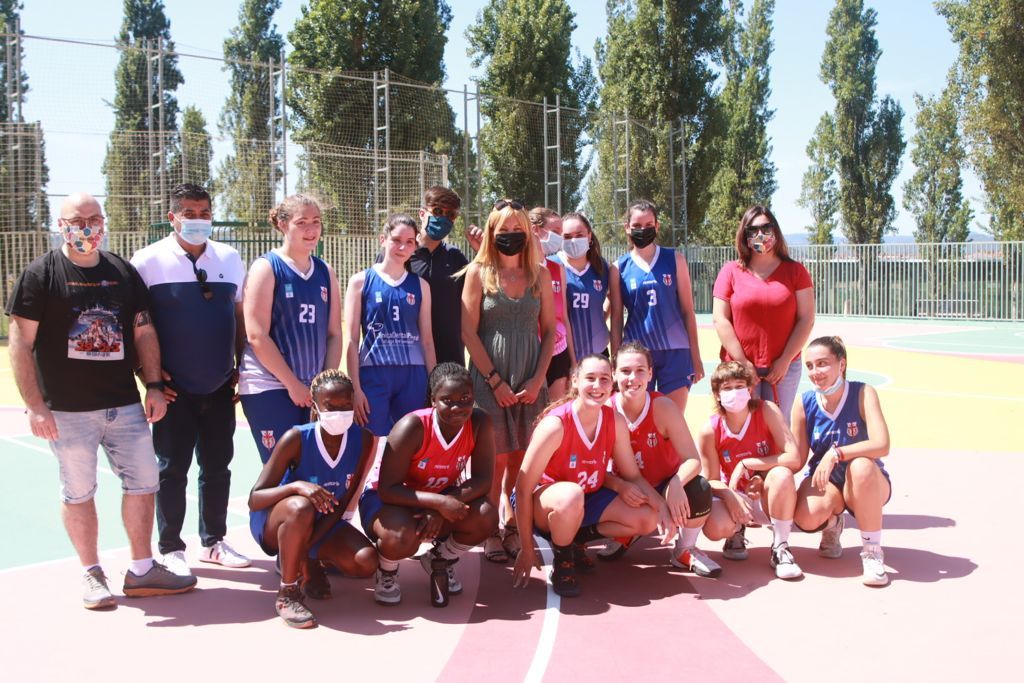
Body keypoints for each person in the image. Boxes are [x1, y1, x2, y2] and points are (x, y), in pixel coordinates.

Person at [5, 192, 196, 608]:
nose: (86, 227)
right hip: (67, 410)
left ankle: (142, 568)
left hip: (124, 405)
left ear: (104, 223)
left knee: (145, 483)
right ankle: (92, 574)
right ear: (61, 225)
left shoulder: (123, 272)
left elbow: (143, 331)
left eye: (94, 218)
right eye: (77, 220)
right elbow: (20, 344)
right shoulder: (40, 275)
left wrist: (155, 386)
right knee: (78, 491)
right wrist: (36, 405)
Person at [130, 183, 250, 578]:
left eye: (204, 212)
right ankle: (170, 548)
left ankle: (214, 541)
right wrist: (147, 378)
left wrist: (239, 368)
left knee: (218, 468)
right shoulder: (146, 261)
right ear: (172, 217)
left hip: (218, 388)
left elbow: (239, 319)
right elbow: (133, 324)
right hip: (172, 391)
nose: (198, 220)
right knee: (171, 470)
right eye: (189, 212)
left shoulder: (230, 258)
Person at [511, 354, 671, 597]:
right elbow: (522, 489)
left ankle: (574, 541)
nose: (598, 386)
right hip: (543, 504)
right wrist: (526, 547)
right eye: (590, 378)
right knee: (571, 495)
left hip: (583, 498)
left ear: (612, 384)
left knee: (647, 518)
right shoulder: (556, 425)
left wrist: (660, 504)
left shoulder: (614, 421)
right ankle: (563, 560)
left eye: (605, 379)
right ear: (574, 381)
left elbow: (632, 475)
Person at [460, 200, 555, 564]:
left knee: (520, 460)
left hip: (530, 379)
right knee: (494, 460)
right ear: (491, 234)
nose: (512, 237)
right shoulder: (478, 273)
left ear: (528, 234)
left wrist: (537, 380)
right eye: (504, 232)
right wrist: (495, 382)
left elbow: (549, 333)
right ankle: (490, 531)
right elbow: (468, 332)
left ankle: (514, 524)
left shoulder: (540, 275)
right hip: (489, 380)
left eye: (518, 231)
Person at [358, 363, 497, 606]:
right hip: (388, 500)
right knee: (400, 537)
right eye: (447, 400)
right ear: (433, 400)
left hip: (437, 497)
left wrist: (439, 507)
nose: (458, 406)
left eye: (465, 398)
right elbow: (387, 489)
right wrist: (439, 503)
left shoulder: (479, 422)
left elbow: (483, 480)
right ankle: (387, 570)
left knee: (485, 514)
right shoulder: (412, 427)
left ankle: (440, 559)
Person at [249, 370, 377, 628]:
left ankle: (308, 559)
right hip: (278, 520)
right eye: (331, 406)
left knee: (366, 562)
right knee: (301, 507)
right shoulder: (296, 438)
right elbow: (255, 499)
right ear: (316, 406)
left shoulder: (362, 439)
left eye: (346, 405)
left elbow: (341, 503)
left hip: (322, 521)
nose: (339, 412)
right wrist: (297, 486)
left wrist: (307, 549)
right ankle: (288, 593)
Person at [597, 342, 720, 577]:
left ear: (651, 373)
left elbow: (693, 459)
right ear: (613, 374)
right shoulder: (605, 409)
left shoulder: (662, 406)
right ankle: (625, 533)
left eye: (640, 370)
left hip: (664, 484)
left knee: (699, 488)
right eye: (625, 371)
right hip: (628, 488)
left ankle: (684, 549)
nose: (632, 378)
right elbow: (592, 467)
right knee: (587, 497)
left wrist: (675, 483)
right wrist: (618, 485)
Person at [238, 194, 343, 463]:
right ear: (283, 225)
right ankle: (262, 508)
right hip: (270, 386)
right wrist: (292, 384)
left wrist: (325, 384)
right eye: (302, 222)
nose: (311, 230)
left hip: (311, 389)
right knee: (279, 474)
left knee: (310, 471)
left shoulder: (324, 271)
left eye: (316, 222)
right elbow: (256, 335)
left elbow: (333, 333)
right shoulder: (267, 267)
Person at [792, 336, 892, 586]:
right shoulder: (804, 403)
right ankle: (833, 523)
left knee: (860, 466)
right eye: (810, 366)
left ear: (842, 364)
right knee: (805, 517)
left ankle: (871, 552)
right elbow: (796, 459)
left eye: (823, 363)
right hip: (829, 482)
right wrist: (762, 475)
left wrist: (837, 453)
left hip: (867, 480)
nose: (816, 372)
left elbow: (882, 445)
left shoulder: (863, 392)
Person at [697, 361, 804, 580]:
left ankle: (780, 547)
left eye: (739, 386)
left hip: (767, 494)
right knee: (715, 527)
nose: (734, 392)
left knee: (782, 474)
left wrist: (750, 465)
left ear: (749, 389)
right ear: (717, 394)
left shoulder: (766, 410)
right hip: (737, 496)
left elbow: (793, 458)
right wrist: (730, 495)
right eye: (727, 388)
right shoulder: (710, 429)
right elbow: (711, 480)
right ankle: (736, 531)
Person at [712, 205, 814, 421]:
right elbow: (720, 319)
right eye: (753, 230)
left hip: (783, 369)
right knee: (740, 422)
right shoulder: (730, 271)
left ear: (775, 230)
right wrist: (743, 363)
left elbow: (806, 319)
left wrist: (785, 359)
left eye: (766, 228)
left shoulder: (796, 271)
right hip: (738, 368)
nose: (760, 235)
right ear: (744, 235)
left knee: (777, 424)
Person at [345, 214, 436, 445]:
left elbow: (427, 340)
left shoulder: (421, 286)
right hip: (374, 373)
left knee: (409, 442)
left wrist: (435, 385)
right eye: (396, 240)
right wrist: (355, 387)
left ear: (416, 245)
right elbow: (352, 340)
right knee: (371, 443)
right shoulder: (360, 281)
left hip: (413, 375)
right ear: (382, 239)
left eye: (410, 241)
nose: (402, 246)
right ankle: (370, 483)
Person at [611, 199, 703, 414]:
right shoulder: (619, 267)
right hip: (638, 353)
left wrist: (696, 358)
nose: (643, 230)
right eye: (637, 226)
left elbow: (688, 312)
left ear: (657, 226)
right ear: (627, 228)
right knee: (638, 419)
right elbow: (616, 319)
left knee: (672, 420)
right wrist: (616, 361)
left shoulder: (675, 259)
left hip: (676, 351)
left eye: (648, 225)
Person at [397, 185, 481, 366]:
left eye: (450, 215)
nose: (443, 218)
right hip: (408, 360)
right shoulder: (401, 256)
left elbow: (487, 294)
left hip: (449, 359)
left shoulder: (457, 258)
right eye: (437, 211)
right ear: (422, 214)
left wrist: (482, 253)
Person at [529, 207, 575, 400]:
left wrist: (573, 361)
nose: (559, 238)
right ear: (535, 229)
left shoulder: (558, 269)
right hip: (531, 352)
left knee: (557, 411)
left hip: (558, 351)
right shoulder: (521, 269)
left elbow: (563, 317)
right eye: (555, 231)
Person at [556, 212, 611, 358]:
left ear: (589, 236)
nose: (573, 240)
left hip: (598, 352)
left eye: (579, 235)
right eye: (567, 236)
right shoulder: (552, 265)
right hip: (562, 355)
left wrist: (601, 317)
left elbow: (612, 297)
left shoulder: (601, 266)